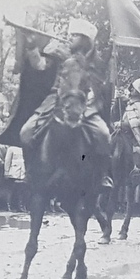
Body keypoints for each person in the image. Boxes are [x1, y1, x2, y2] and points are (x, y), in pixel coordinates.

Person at [18, 19, 112, 189]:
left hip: (85, 103)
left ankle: (102, 176)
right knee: (26, 131)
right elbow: (39, 65)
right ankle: (29, 173)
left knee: (104, 134)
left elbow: (98, 87)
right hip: (54, 100)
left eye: (75, 35)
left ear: (85, 40)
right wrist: (32, 47)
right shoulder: (58, 53)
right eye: (71, 34)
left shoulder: (95, 62)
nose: (71, 37)